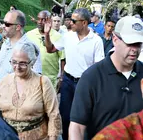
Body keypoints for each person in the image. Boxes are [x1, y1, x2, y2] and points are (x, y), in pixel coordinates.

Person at [69, 16, 143, 140]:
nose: (134, 49)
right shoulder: (91, 77)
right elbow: (77, 126)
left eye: (138, 44)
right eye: (130, 43)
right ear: (115, 39)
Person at [43, 8, 104, 140]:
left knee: (83, 118)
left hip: (85, 84)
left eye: (74, 21)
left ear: (84, 23)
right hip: (68, 82)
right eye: (71, 20)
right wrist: (47, 34)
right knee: (65, 116)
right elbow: (50, 49)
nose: (70, 23)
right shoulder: (68, 36)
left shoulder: (96, 41)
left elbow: (99, 67)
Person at [0, 42, 62, 140]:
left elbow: (53, 113)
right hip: (8, 136)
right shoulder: (5, 81)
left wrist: (53, 137)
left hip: (38, 137)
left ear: (32, 62)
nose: (17, 67)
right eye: (14, 62)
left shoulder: (42, 82)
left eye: (22, 63)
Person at [0, 10, 42, 98]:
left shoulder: (27, 48)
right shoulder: (6, 43)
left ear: (18, 27)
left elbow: (34, 80)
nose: (3, 26)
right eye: (3, 22)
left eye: (7, 24)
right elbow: (3, 69)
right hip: (1, 95)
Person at [27, 10, 65, 88]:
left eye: (44, 19)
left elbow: (63, 58)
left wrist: (61, 77)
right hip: (32, 77)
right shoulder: (29, 35)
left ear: (50, 21)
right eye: (39, 19)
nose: (40, 22)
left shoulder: (58, 36)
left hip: (50, 78)